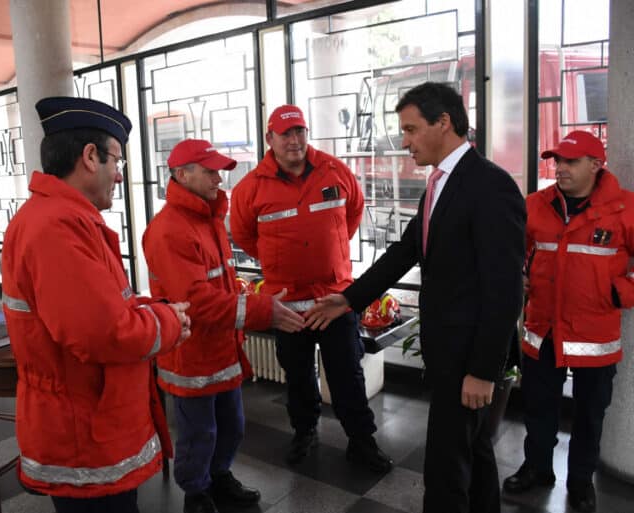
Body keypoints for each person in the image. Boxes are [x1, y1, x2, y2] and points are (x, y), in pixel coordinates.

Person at [306, 82, 526, 513]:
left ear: (444, 122)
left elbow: (504, 289)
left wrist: (483, 371)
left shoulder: (489, 186)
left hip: (470, 359)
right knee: (473, 453)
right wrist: (348, 299)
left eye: (410, 129)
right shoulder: (441, 183)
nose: (403, 141)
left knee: (445, 470)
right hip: (449, 351)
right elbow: (405, 252)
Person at [0, 96, 191, 513]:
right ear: (90, 156)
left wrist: (146, 310)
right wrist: (167, 322)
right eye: (117, 162)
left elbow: (103, 304)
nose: (120, 177)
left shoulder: (65, 218)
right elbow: (104, 333)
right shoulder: (54, 226)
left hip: (92, 419)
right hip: (80, 431)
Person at [142, 139, 305, 513]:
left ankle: (219, 477)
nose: (220, 179)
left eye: (219, 171)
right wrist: (264, 310)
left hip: (222, 348)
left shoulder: (208, 219)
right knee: (199, 433)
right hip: (191, 355)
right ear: (182, 175)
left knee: (231, 426)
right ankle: (196, 494)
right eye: (211, 171)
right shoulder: (169, 230)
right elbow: (197, 303)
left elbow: (221, 287)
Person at [229, 105, 394, 473]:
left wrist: (330, 249)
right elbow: (243, 236)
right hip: (288, 304)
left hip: (335, 299)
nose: (294, 140)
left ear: (307, 133)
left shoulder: (335, 170)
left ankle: (361, 442)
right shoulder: (250, 188)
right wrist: (277, 262)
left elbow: (353, 213)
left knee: (347, 375)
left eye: (299, 131)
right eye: (285, 134)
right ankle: (305, 432)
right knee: (299, 375)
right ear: (269, 139)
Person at [502, 131, 634, 513]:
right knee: (539, 407)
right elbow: (514, 249)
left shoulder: (624, 209)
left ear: (596, 165)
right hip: (542, 330)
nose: (559, 168)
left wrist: (619, 293)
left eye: (570, 162)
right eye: (556, 160)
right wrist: (518, 275)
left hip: (596, 336)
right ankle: (538, 469)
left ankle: (580, 481)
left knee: (590, 414)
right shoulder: (535, 205)